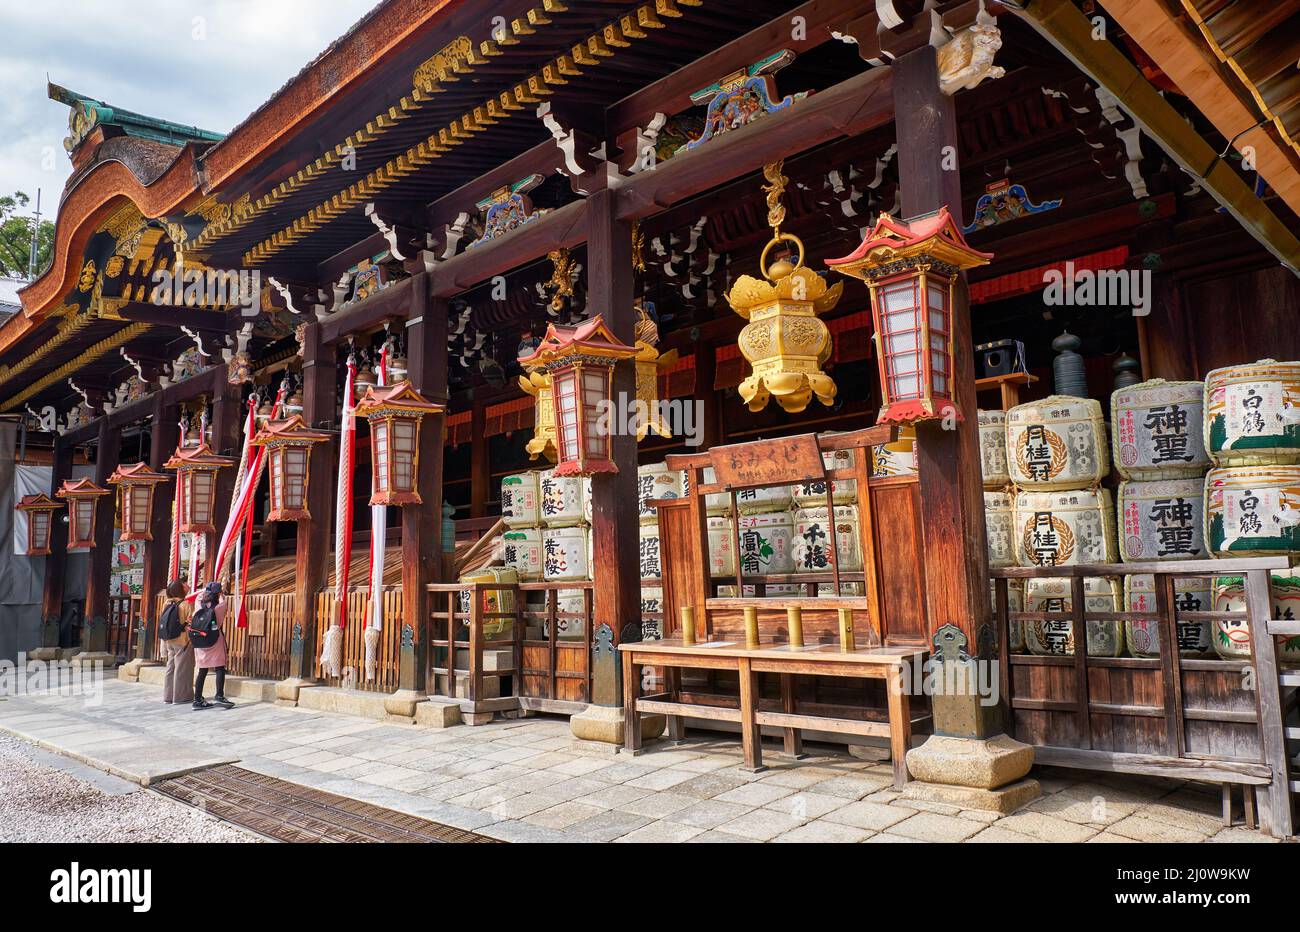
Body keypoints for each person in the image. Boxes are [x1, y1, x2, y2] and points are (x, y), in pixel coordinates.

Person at [189, 581, 233, 710]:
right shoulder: (220, 607)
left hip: (201, 640)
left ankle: (197, 699)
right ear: (218, 593)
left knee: (202, 670)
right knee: (219, 667)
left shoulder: (199, 606)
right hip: (215, 640)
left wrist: (204, 591)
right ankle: (219, 695)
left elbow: (198, 597)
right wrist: (221, 595)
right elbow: (223, 601)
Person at [159, 579, 194, 705]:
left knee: (171, 667)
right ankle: (181, 697)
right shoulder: (186, 605)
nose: (186, 585)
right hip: (183, 640)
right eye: (183, 584)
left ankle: (168, 696)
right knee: (182, 668)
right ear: (180, 589)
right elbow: (191, 622)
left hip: (169, 639)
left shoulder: (167, 603)